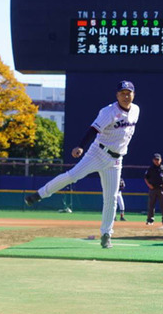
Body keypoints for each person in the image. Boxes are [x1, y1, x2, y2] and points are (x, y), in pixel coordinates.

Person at [25, 80, 140, 249]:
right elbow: (93, 130)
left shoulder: (136, 110)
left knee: (111, 198)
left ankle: (106, 234)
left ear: (133, 95)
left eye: (128, 93)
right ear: (117, 95)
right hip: (98, 153)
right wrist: (80, 146)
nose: (125, 96)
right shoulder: (108, 111)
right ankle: (40, 194)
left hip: (116, 160)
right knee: (72, 176)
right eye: (122, 93)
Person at [144, 153, 163, 225]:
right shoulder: (150, 169)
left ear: (160, 160)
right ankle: (150, 220)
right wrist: (149, 185)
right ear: (153, 160)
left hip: (161, 188)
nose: (157, 161)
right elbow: (146, 178)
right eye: (155, 159)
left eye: (158, 159)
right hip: (153, 188)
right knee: (151, 205)